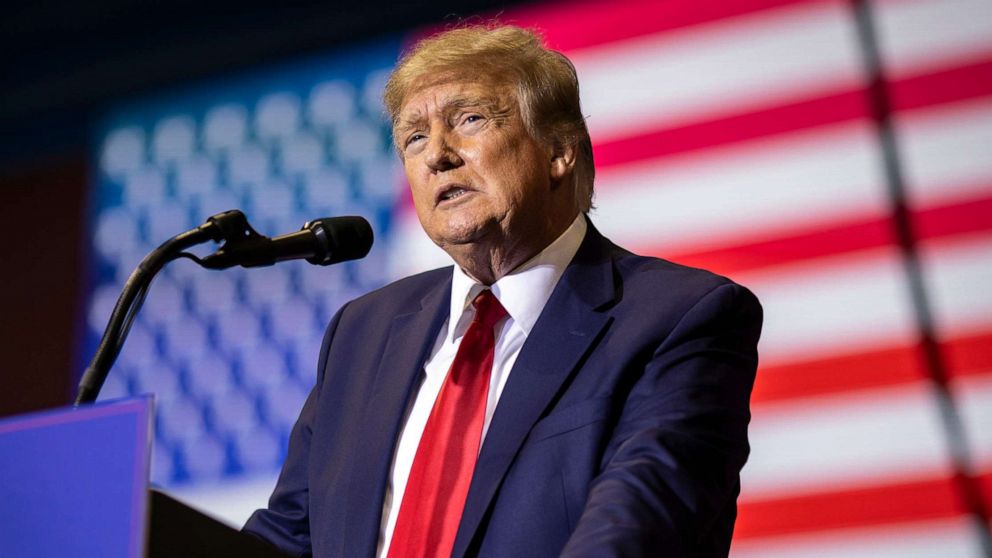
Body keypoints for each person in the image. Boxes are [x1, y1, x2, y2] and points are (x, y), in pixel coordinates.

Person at [244, 25, 762, 558]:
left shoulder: (677, 318)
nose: (436, 155)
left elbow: (637, 528)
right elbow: (287, 535)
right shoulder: (362, 332)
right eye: (414, 137)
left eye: (469, 120)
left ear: (559, 150)